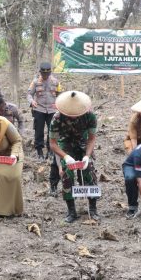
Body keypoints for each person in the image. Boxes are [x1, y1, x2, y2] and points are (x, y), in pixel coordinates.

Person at [49, 91, 99, 222]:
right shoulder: (57, 118)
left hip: (83, 143)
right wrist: (65, 157)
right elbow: (53, 144)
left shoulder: (90, 116)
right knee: (67, 174)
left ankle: (93, 208)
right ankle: (71, 210)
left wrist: (87, 156)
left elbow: (92, 138)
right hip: (65, 144)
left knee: (89, 172)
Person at [26, 62, 60, 159]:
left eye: (47, 73)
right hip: (39, 109)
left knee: (52, 130)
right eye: (43, 73)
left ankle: (51, 150)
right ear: (40, 72)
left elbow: (60, 94)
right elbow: (29, 94)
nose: (45, 75)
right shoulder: (35, 82)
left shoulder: (55, 82)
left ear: (50, 73)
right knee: (39, 130)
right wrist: (32, 101)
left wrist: (58, 103)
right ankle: (39, 151)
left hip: (52, 110)